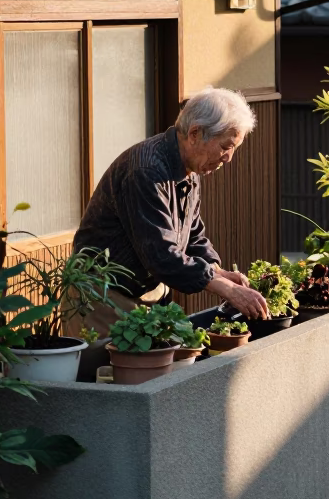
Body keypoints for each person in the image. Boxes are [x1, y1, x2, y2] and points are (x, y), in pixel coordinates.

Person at [72, 87, 269, 370]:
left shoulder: (189, 167)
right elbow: (162, 254)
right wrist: (225, 289)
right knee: (106, 385)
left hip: (144, 292)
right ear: (195, 134)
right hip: (104, 294)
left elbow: (193, 233)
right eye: (226, 147)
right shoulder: (146, 170)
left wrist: (218, 270)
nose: (228, 159)